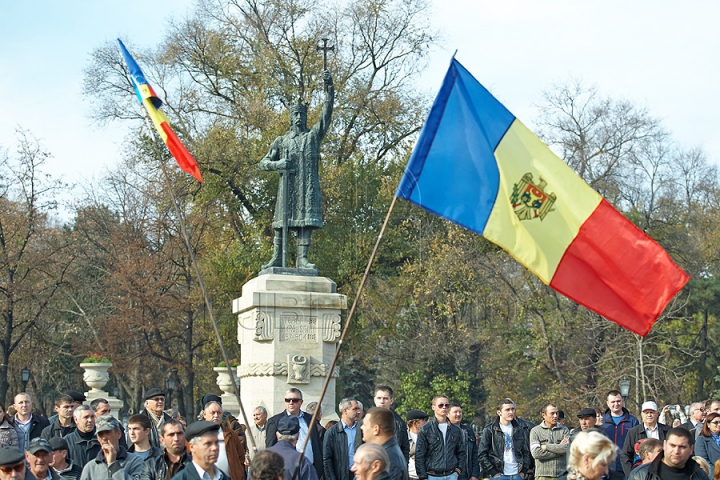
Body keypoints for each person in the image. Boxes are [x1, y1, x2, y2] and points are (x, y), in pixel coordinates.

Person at [258, 69, 334, 271]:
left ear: (305, 116)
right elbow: (263, 162)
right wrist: (277, 164)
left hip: (306, 187)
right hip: (288, 188)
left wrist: (329, 90)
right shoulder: (281, 141)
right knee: (281, 223)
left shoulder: (312, 137)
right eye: (296, 114)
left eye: (302, 114)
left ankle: (302, 259)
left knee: (304, 222)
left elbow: (326, 116)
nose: (299, 117)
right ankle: (277, 257)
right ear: (291, 117)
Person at [266, 388, 323, 479]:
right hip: (285, 472)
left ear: (301, 402)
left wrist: (319, 469)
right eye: (288, 400)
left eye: (294, 400)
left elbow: (317, 445)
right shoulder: (275, 421)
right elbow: (270, 447)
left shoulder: (310, 419)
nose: (291, 403)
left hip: (309, 471)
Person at [415, 395, 466, 480]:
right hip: (432, 475)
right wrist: (423, 476)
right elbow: (420, 454)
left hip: (452, 475)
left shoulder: (456, 430)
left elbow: (461, 452)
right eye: (440, 405)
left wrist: (458, 470)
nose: (444, 407)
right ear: (433, 407)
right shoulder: (425, 429)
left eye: (447, 405)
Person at [627, 428, 710, 480]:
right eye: (672, 445)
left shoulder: (699, 475)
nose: (676, 451)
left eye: (682, 447)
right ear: (665, 445)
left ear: (691, 449)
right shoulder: (640, 475)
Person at [478, 398, 530, 480]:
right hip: (499, 475)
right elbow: (482, 454)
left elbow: (526, 452)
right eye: (507, 410)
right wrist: (493, 472)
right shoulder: (489, 430)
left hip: (517, 474)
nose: (511, 412)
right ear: (499, 412)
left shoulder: (519, 429)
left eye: (513, 409)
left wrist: (523, 471)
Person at [79, 415, 144, 480]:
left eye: (108, 432)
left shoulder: (135, 461)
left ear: (118, 434)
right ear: (98, 438)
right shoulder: (90, 467)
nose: (104, 438)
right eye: (101, 434)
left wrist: (113, 464)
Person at [620, 401, 670, 476]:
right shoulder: (633, 432)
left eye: (651, 412)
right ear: (642, 414)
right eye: (646, 413)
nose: (649, 415)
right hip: (641, 473)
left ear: (657, 414)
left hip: (663, 471)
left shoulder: (667, 430)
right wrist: (631, 474)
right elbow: (625, 455)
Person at [201, 401, 246, 480]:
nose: (216, 416)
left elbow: (241, 457)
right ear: (204, 414)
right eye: (213, 412)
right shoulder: (197, 435)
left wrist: (238, 472)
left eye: (219, 413)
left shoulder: (231, 434)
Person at [361, 407, 408, 480]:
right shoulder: (386, 453)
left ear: (376, 429)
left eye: (365, 424)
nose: (361, 427)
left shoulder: (388, 460)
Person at [602, 390, 638, 480]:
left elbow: (637, 444)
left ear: (622, 401)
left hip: (626, 466)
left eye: (618, 401)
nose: (616, 404)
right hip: (605, 467)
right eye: (613, 402)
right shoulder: (601, 422)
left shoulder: (632, 421)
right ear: (608, 403)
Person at [323, 398, 363, 480]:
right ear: (345, 411)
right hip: (341, 476)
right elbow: (327, 460)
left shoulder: (362, 429)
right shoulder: (332, 433)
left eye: (358, 409)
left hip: (359, 475)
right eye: (355, 409)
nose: (358, 412)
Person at [529, 403, 569, 480]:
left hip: (561, 475)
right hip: (542, 476)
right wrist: (559, 450)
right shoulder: (535, 431)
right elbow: (536, 453)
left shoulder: (564, 430)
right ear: (543, 415)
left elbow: (566, 448)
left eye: (557, 413)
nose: (555, 416)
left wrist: (546, 446)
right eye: (552, 413)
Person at [374, 386, 411, 464]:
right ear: (374, 400)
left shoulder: (400, 423)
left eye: (385, 398)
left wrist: (403, 468)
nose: (382, 401)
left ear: (391, 401)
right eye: (379, 398)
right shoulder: (365, 422)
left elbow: (405, 449)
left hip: (393, 467)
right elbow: (359, 447)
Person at [447, 404, 478, 480]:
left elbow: (475, 454)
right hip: (448, 474)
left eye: (460, 412)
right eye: (455, 412)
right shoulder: (442, 430)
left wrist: (475, 474)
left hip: (466, 474)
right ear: (447, 414)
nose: (458, 414)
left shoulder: (468, 431)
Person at [693, 412, 720, 476]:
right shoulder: (701, 440)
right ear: (708, 424)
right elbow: (703, 461)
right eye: (716, 422)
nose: (719, 424)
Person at [407, 410, 428, 480]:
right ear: (415, 423)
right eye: (424, 421)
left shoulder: (429, 437)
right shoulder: (403, 438)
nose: (426, 423)